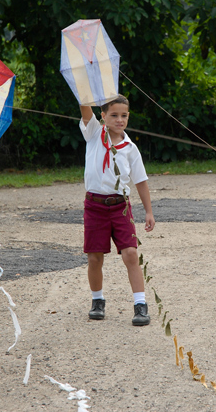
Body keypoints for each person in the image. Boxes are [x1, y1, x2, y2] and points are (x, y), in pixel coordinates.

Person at [80, 95, 155, 326]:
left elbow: (140, 180)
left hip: (121, 207)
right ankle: (97, 300)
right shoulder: (94, 133)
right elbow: (84, 106)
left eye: (124, 115)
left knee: (131, 253)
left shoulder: (130, 148)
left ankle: (140, 304)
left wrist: (148, 211)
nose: (119, 120)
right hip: (95, 206)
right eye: (114, 115)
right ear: (103, 116)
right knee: (95, 257)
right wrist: (86, 84)